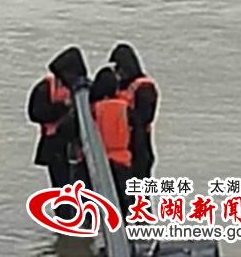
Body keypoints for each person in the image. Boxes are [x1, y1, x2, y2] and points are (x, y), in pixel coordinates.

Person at [27, 47, 87, 193]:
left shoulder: (82, 88)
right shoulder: (45, 87)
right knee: (61, 186)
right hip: (54, 145)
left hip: (77, 147)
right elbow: (35, 113)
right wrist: (63, 107)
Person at [109, 43, 158, 179]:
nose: (117, 73)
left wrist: (125, 114)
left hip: (139, 144)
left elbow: (145, 117)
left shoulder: (144, 88)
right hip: (124, 145)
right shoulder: (120, 87)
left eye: (119, 68)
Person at [90, 66, 132, 218]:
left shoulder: (95, 108)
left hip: (101, 160)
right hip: (123, 158)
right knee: (124, 201)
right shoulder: (124, 107)